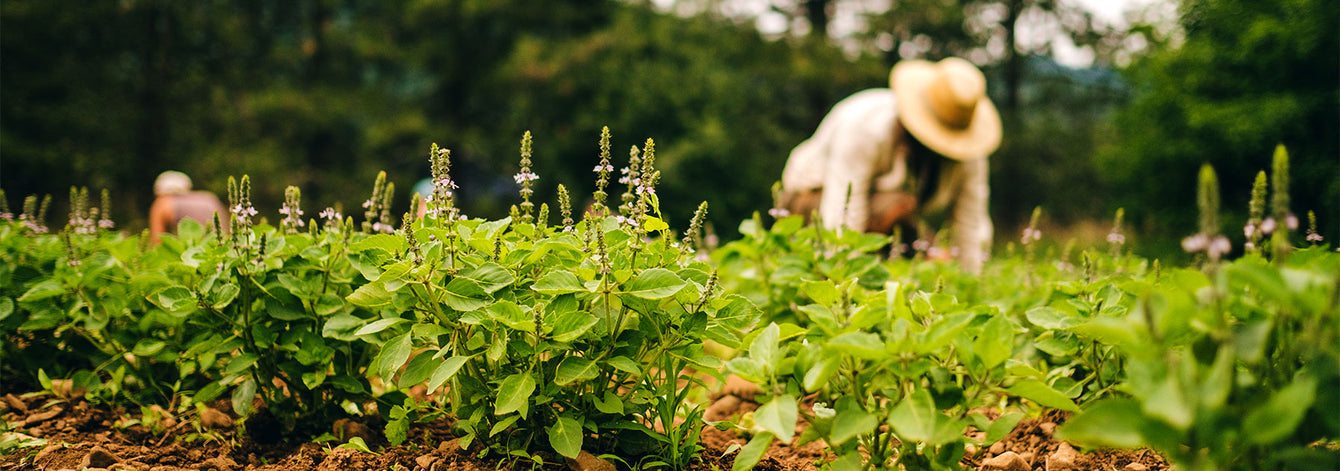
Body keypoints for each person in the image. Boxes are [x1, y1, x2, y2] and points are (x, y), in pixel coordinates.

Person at [779, 57, 1001, 273]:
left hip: (894, 210)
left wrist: (971, 283)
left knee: (935, 254)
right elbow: (843, 211)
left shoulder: (969, 154)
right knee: (894, 205)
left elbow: (971, 222)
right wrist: (844, 282)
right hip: (811, 199)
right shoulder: (864, 128)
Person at [148, 170, 229, 243]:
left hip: (191, 254)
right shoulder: (210, 198)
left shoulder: (163, 202)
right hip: (221, 249)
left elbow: (157, 239)